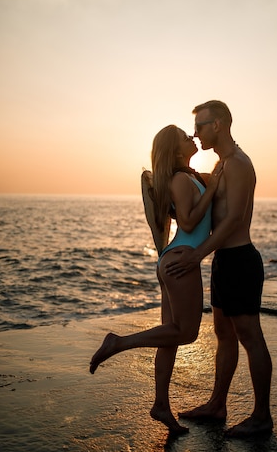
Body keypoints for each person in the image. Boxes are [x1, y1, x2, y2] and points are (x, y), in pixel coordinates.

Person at [89, 124, 221, 436]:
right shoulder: (178, 179)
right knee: (185, 333)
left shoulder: (187, 176)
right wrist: (213, 188)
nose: (191, 138)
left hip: (173, 258)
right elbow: (189, 220)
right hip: (182, 260)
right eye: (184, 137)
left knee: (170, 337)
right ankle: (118, 342)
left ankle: (161, 404)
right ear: (175, 150)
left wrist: (211, 180)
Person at [165, 100, 273, 438]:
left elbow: (233, 221)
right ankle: (217, 404)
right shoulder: (222, 165)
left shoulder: (239, 164)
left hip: (241, 259)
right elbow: (198, 209)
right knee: (224, 335)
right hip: (224, 261)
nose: (195, 132)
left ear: (220, 124)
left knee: (249, 336)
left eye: (201, 125)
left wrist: (197, 255)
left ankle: (262, 416)